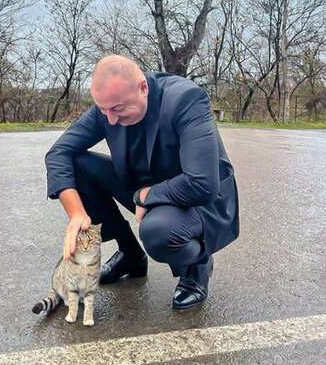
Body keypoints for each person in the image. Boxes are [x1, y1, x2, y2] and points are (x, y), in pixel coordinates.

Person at [45, 55, 239, 310]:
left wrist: (144, 196)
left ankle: (197, 265)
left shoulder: (186, 100)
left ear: (143, 88)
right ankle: (131, 256)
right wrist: (76, 213)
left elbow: (201, 183)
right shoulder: (109, 105)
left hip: (197, 198)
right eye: (104, 110)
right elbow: (58, 153)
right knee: (79, 164)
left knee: (157, 232)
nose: (110, 120)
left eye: (118, 109)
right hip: (143, 184)